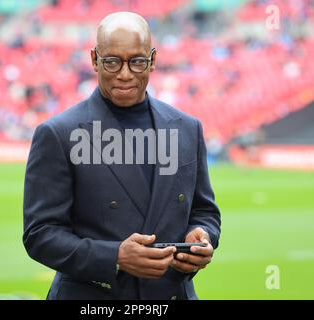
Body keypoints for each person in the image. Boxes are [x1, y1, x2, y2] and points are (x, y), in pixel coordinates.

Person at [23, 12, 221, 300]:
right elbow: (40, 234)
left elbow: (205, 211)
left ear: (152, 60)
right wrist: (114, 256)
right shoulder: (58, 134)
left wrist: (202, 236)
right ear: (94, 60)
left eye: (137, 61)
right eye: (112, 61)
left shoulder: (188, 128)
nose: (125, 73)